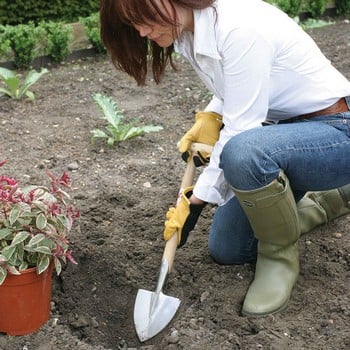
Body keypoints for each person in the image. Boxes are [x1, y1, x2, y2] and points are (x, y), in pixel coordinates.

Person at [100, 0, 350, 316]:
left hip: (335, 132)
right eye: (133, 23)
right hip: (286, 135)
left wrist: (195, 201)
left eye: (144, 18)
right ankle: (328, 200)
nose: (141, 30)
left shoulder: (239, 27)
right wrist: (211, 115)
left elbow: (242, 132)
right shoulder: (191, 33)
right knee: (228, 249)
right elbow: (236, 85)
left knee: (244, 153)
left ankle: (279, 260)